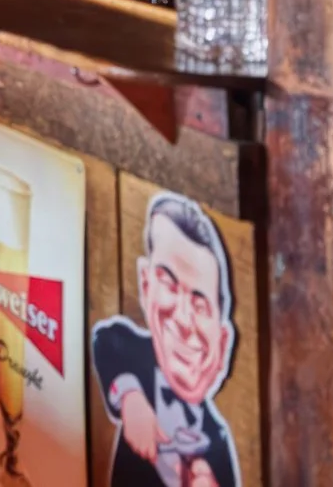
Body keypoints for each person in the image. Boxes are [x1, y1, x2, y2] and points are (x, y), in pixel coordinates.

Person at [90, 192, 240, 487]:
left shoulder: (219, 440)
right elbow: (106, 340)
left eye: (200, 305)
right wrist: (130, 397)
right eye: (168, 284)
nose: (183, 320)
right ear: (145, 286)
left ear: (222, 342)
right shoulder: (133, 355)